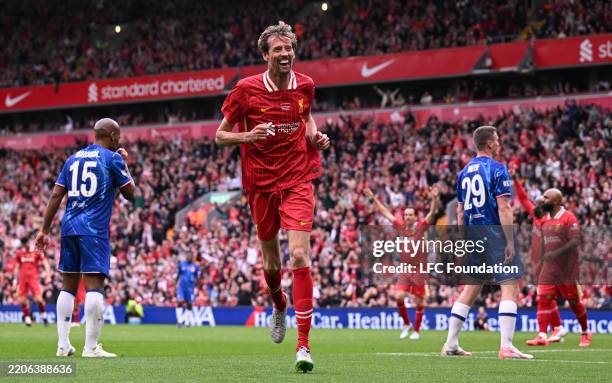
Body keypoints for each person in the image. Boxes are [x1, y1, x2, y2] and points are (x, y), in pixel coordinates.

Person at [215, 21, 330, 373]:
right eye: (277, 49)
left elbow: (306, 118)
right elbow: (221, 136)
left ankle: (304, 345)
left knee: (298, 254)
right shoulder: (245, 91)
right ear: (265, 55)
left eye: (288, 48)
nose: (284, 54)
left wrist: (314, 137)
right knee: (271, 265)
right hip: (260, 184)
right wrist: (249, 137)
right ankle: (278, 303)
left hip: (297, 177)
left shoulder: (306, 85)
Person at [35, 118, 136, 357]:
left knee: (67, 286)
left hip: (68, 227)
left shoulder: (72, 159)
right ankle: (90, 347)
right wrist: (124, 163)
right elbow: (131, 194)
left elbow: (56, 195)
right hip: (94, 229)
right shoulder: (112, 159)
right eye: (118, 136)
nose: (119, 140)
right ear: (111, 135)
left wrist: (44, 229)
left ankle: (63, 345)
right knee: (94, 286)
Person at [441, 125, 533, 359]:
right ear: (490, 144)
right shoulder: (498, 169)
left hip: (473, 234)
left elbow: (460, 212)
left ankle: (450, 344)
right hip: (493, 234)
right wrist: (509, 240)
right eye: (498, 140)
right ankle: (506, 346)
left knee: (471, 289)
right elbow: (504, 207)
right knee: (510, 285)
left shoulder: (463, 173)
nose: (500, 143)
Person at [363, 185, 439, 340]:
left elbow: (432, 213)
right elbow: (385, 212)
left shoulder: (421, 227)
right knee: (398, 296)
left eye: (410, 215)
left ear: (416, 217)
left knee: (419, 301)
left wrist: (434, 198)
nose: (407, 217)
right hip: (405, 269)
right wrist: (373, 198)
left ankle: (416, 331)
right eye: (406, 215)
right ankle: (406, 324)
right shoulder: (400, 227)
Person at [513, 177, 565, 346]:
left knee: (545, 296)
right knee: (547, 298)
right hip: (540, 264)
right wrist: (515, 180)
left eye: (537, 205)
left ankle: (543, 334)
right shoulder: (537, 217)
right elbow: (522, 199)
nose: (533, 207)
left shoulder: (550, 220)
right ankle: (557, 327)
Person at [538, 188, 591, 347]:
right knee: (543, 298)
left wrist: (555, 253)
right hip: (549, 268)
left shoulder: (568, 217)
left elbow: (575, 241)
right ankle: (541, 334)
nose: (543, 200)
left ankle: (585, 331)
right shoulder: (545, 218)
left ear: (555, 201)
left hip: (566, 269)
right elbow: (543, 240)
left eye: (546, 198)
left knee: (574, 301)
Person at [15, 236, 51, 326]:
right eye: (23, 245)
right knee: (22, 300)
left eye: (25, 244)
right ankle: (27, 319)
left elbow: (45, 263)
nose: (24, 247)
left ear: (28, 242)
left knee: (38, 299)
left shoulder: (36, 252)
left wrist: (48, 275)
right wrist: (15, 280)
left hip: (33, 279)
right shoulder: (20, 253)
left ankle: (43, 316)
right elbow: (17, 267)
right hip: (23, 279)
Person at [175, 253, 200, 327]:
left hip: (190, 288)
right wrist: (176, 283)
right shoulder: (181, 265)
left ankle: (187, 321)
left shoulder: (195, 266)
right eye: (188, 256)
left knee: (189, 304)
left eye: (190, 256)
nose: (189, 257)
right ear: (186, 257)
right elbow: (178, 275)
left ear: (192, 257)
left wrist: (198, 287)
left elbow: (197, 277)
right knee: (180, 301)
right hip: (182, 287)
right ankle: (179, 321)